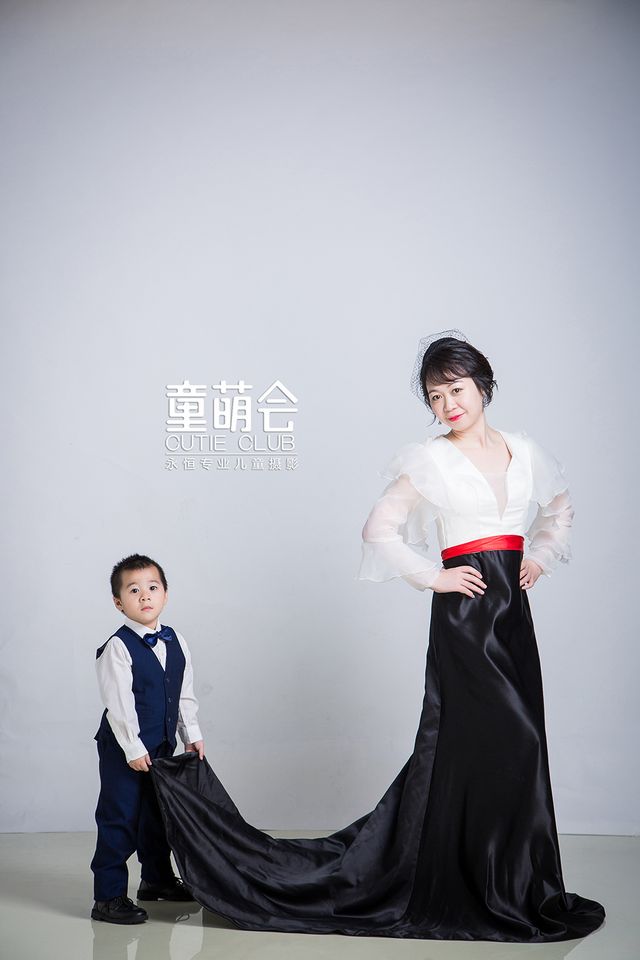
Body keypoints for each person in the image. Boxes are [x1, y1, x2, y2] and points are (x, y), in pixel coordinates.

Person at [149, 331, 606, 941]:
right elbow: (378, 530)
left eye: (456, 390)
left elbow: (559, 510)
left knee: (516, 749)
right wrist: (435, 576)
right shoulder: (430, 460)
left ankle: (512, 882)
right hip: (467, 620)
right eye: (434, 396)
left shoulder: (524, 451)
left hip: (513, 614)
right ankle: (476, 885)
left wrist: (540, 557)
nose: (447, 405)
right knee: (501, 739)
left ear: (483, 386)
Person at [90, 553, 205, 924]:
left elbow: (183, 693)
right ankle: (107, 896)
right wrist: (133, 748)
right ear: (118, 602)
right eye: (133, 590)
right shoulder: (118, 647)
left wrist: (191, 734)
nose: (144, 596)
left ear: (165, 595)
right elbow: (119, 706)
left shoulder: (177, 641)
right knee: (120, 816)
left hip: (161, 745)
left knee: (157, 815)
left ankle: (156, 880)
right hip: (123, 748)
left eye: (152, 588)